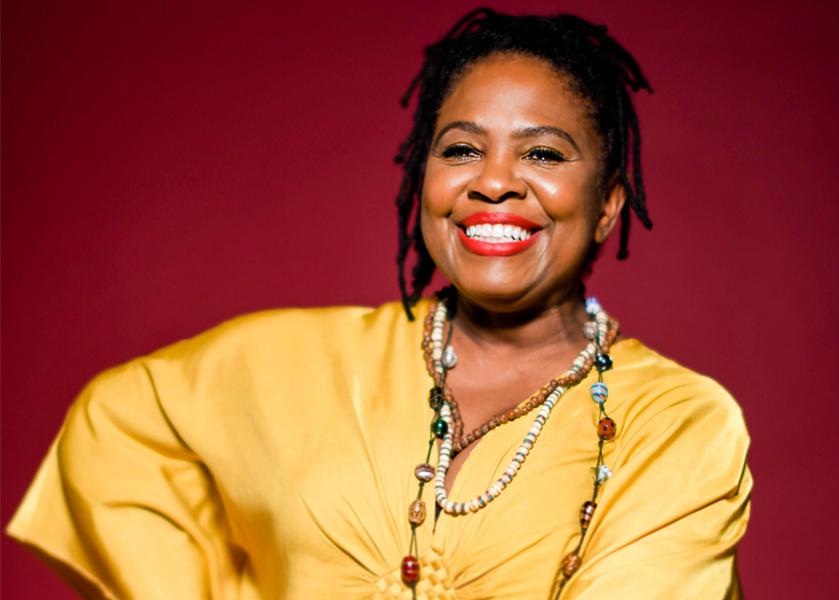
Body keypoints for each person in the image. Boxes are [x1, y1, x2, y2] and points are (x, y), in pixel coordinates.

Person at [7, 8, 751, 599]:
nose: (494, 182)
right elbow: (119, 436)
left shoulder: (677, 423)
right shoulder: (295, 365)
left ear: (609, 204)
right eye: (460, 149)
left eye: (543, 153)